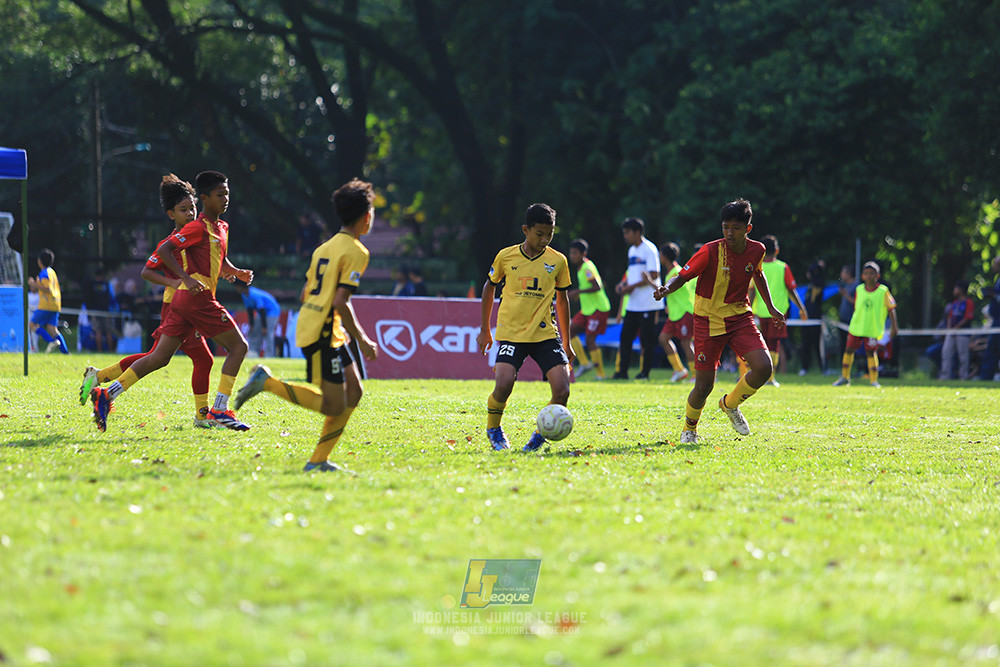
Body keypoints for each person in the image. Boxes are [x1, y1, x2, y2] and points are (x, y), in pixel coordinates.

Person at [88, 171, 255, 432]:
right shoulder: (196, 228)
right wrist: (184, 279)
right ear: (205, 198)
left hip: (183, 302)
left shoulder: (221, 227)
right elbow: (163, 252)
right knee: (238, 347)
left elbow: (217, 259)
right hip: (196, 300)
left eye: (227, 194)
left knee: (159, 357)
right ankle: (219, 410)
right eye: (220, 194)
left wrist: (235, 272)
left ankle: (106, 394)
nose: (226, 199)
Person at [233, 178, 379, 473]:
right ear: (366, 216)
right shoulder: (356, 252)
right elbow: (340, 301)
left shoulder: (324, 248)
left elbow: (305, 293)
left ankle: (318, 461)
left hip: (322, 326)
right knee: (333, 405)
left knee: (355, 392)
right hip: (321, 331)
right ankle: (267, 382)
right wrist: (362, 339)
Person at [653, 198, 783, 444]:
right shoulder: (710, 251)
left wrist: (770, 306)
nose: (729, 233)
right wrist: (666, 289)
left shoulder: (757, 250)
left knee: (764, 367)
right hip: (708, 320)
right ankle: (689, 428)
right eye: (725, 227)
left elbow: (758, 274)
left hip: (740, 317)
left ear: (748, 228)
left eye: (735, 227)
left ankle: (730, 404)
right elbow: (682, 275)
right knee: (703, 386)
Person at [476, 203, 574, 452]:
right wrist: (485, 329)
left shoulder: (558, 261)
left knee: (562, 391)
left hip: (545, 334)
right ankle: (494, 429)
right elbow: (489, 287)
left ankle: (540, 435)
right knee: (503, 385)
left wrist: (567, 341)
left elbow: (562, 300)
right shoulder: (506, 256)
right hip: (512, 334)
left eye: (550, 234)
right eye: (539, 234)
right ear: (525, 230)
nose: (544, 240)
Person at [748, 235, 808, 386]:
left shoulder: (757, 266)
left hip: (761, 312)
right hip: (778, 313)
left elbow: (752, 291)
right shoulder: (783, 267)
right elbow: (792, 290)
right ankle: (770, 378)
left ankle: (761, 374)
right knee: (774, 344)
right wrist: (801, 308)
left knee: (763, 343)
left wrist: (748, 308)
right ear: (776, 250)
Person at [832, 261, 898, 388]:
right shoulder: (859, 289)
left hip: (871, 328)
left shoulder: (883, 291)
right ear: (862, 276)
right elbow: (857, 305)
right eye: (866, 273)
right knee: (848, 350)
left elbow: (891, 308)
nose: (869, 276)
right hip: (857, 326)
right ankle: (845, 377)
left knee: (871, 353)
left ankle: (874, 380)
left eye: (872, 273)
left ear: (877, 276)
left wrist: (894, 327)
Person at [613, 217, 660, 380]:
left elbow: (654, 274)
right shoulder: (632, 251)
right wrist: (623, 284)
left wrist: (631, 287)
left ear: (637, 232)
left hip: (647, 302)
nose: (625, 236)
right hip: (633, 303)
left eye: (627, 233)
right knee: (625, 338)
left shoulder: (649, 249)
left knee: (646, 340)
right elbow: (632, 274)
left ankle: (644, 373)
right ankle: (622, 372)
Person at [567, 238, 611, 380]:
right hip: (587, 309)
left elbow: (597, 286)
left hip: (598, 308)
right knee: (569, 331)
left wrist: (578, 292)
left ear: (583, 253)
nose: (572, 256)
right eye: (571, 253)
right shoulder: (581, 267)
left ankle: (601, 374)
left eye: (575, 253)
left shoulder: (587, 267)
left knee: (590, 339)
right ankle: (585, 363)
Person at [658, 242, 695, 382]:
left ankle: (695, 375)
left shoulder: (677, 271)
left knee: (686, 343)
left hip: (684, 312)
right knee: (663, 339)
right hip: (674, 314)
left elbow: (666, 289)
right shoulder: (670, 272)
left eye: (660, 254)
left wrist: (649, 281)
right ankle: (679, 370)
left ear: (664, 256)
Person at [27, 248, 69, 354]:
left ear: (40, 261)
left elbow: (48, 289)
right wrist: (37, 284)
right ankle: (66, 353)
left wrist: (34, 284)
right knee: (52, 329)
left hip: (46, 304)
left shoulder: (44, 273)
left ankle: (51, 342)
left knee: (31, 325)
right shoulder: (52, 272)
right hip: (55, 304)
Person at [939, 279, 975, 380]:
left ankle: (963, 376)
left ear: (961, 290)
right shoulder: (955, 303)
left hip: (962, 333)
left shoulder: (968, 303)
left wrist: (956, 328)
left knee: (963, 356)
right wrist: (950, 329)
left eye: (956, 288)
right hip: (951, 333)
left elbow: (967, 318)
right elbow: (950, 317)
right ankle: (945, 376)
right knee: (946, 353)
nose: (954, 290)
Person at [236, 281, 281, 357]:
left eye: (238, 287)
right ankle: (254, 354)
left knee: (268, 333)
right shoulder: (244, 295)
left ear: (243, 287)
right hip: (261, 313)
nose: (237, 289)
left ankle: (269, 356)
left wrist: (264, 327)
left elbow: (262, 309)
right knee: (254, 331)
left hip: (272, 311)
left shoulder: (254, 294)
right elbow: (250, 310)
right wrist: (251, 325)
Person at [798, 260, 826, 375]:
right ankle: (805, 368)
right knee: (805, 344)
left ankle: (822, 368)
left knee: (816, 345)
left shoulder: (818, 285)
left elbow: (813, 301)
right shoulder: (811, 285)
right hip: (806, 319)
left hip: (814, 319)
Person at [978, 256, 1000, 380]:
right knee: (992, 348)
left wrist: (994, 295)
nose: (993, 267)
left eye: (995, 264)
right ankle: (986, 376)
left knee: (993, 347)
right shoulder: (998, 279)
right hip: (996, 320)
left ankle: (986, 375)